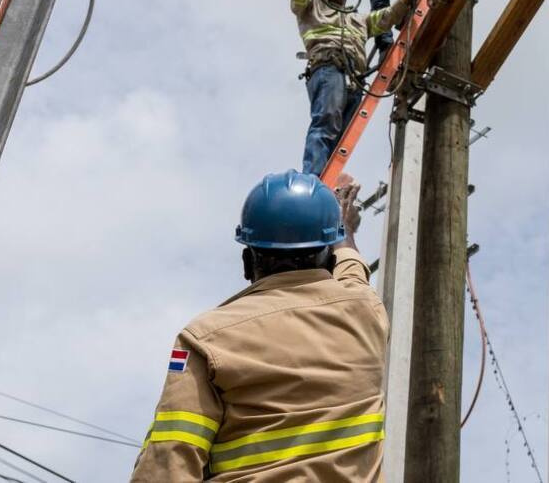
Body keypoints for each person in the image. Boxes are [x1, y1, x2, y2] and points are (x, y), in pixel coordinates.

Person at [130, 171, 386, 481]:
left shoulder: (204, 338)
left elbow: (170, 457)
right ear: (330, 260)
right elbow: (351, 270)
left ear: (247, 261)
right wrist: (345, 232)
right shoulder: (366, 312)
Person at [279, 0, 417, 176]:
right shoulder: (310, 7)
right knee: (326, 123)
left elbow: (388, 17)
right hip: (328, 70)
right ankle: (313, 179)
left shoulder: (358, 20)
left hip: (354, 79)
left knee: (342, 139)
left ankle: (326, 183)